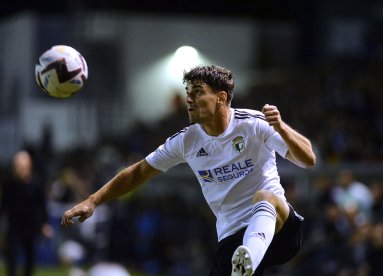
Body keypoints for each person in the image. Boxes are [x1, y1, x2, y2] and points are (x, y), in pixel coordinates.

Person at [62, 65, 316, 275]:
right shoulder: (186, 141)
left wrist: (282, 128)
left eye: (197, 91)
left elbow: (308, 160)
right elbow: (139, 172)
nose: (189, 99)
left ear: (221, 97)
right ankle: (245, 262)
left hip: (281, 231)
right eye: (188, 92)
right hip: (232, 237)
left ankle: (248, 257)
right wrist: (94, 200)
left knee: (266, 197)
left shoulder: (253, 124)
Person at [0, 150, 53, 276]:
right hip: (14, 226)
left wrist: (45, 224)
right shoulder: (9, 184)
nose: (19, 169)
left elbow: (43, 206)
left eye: (22, 166)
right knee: (11, 258)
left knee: (30, 259)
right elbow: (3, 206)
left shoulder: (36, 184)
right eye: (17, 166)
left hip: (31, 226)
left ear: (29, 166)